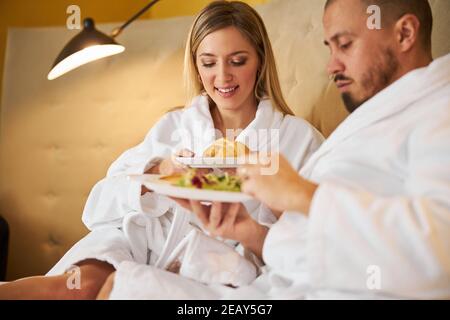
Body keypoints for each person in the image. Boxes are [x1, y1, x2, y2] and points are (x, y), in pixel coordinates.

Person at [98, 0, 450, 300]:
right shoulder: (381, 116)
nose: (331, 66)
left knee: (122, 288)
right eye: (330, 48)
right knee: (119, 282)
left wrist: (301, 193)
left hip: (277, 294)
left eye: (345, 44)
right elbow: (321, 249)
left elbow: (438, 253)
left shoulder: (438, 113)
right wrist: (247, 231)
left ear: (405, 34)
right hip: (268, 290)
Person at [0, 1, 323, 300]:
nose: (222, 77)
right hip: (137, 240)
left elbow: (317, 243)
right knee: (74, 287)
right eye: (208, 63)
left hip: (213, 270)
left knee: (116, 290)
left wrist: (254, 218)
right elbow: (98, 207)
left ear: (260, 61)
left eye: (238, 61)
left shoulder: (297, 139)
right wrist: (157, 174)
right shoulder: (176, 125)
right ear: (196, 67)